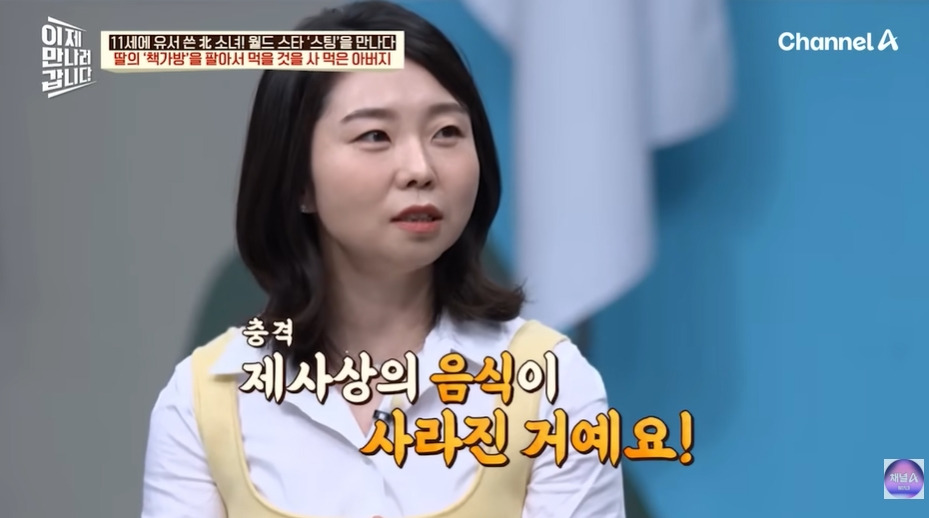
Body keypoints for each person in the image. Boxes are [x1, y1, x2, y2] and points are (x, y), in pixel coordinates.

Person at [140, 2, 626, 517]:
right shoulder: (204, 401)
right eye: (375, 136)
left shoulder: (554, 387)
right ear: (298, 180)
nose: (420, 168)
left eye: (446, 132)